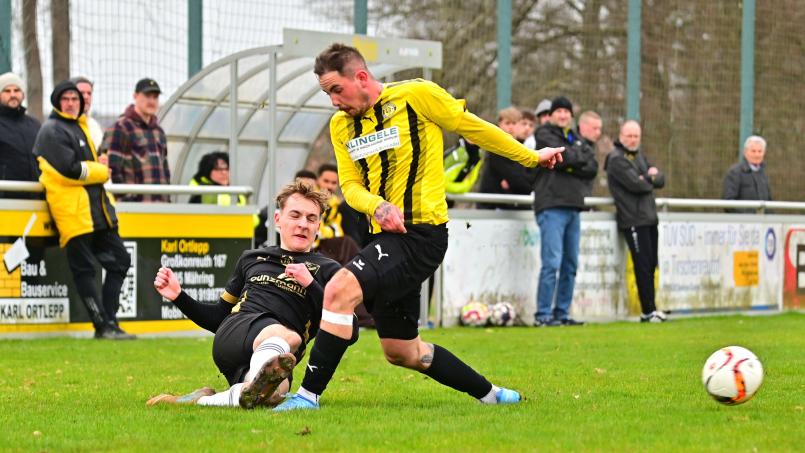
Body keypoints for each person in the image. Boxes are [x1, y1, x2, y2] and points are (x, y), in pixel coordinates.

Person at [273, 43, 563, 411]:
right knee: (403, 352)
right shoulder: (341, 125)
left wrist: (530, 156)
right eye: (327, 93)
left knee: (337, 291)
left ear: (361, 77)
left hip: (420, 235)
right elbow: (350, 186)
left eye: (336, 89)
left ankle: (306, 396)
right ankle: (492, 395)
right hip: (380, 236)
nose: (333, 101)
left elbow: (474, 128)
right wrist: (377, 206)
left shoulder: (416, 96)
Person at [148, 181, 350, 408]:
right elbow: (218, 318)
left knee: (270, 397)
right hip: (236, 333)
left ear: (318, 226)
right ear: (277, 220)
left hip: (276, 357)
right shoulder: (252, 258)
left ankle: (200, 401)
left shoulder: (329, 269)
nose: (303, 224)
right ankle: (261, 376)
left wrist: (311, 284)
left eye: (311, 219)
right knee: (289, 337)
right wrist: (178, 296)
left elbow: (349, 330)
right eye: (295, 215)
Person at [33, 80, 134, 339]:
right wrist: (101, 171)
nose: (71, 103)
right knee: (85, 270)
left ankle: (110, 321)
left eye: (75, 99)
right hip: (73, 213)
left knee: (120, 261)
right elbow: (70, 169)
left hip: (97, 211)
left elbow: (83, 167)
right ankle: (101, 325)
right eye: (66, 99)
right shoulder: (51, 129)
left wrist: (94, 169)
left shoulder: (82, 127)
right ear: (57, 102)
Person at [532, 98, 598, 327]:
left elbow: (592, 166)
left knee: (570, 264)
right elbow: (565, 160)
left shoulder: (575, 137)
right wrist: (573, 160)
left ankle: (562, 312)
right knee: (552, 262)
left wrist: (570, 159)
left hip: (573, 207)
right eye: (558, 111)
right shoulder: (543, 134)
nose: (562, 115)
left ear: (571, 115)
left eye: (566, 111)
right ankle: (543, 314)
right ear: (551, 114)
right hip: (551, 206)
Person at [605, 120, 667, 323]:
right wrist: (648, 178)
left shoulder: (639, 156)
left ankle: (652, 308)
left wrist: (648, 178)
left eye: (636, 136)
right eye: (629, 136)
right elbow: (636, 185)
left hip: (649, 218)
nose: (632, 140)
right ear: (621, 136)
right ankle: (647, 311)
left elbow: (661, 179)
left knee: (650, 264)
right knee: (641, 265)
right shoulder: (616, 158)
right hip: (633, 219)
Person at [100, 78, 170, 202]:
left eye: (155, 97)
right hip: (133, 209)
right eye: (147, 96)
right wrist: (126, 199)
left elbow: (165, 170)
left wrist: (167, 199)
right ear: (135, 96)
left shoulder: (159, 132)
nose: (152, 101)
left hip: (160, 207)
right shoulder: (120, 128)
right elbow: (112, 169)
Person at [478, 107, 534, 210]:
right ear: (500, 124)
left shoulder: (523, 149)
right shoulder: (495, 149)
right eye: (507, 123)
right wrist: (519, 183)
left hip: (515, 207)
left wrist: (517, 183)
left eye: (514, 123)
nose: (511, 127)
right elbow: (518, 181)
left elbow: (529, 181)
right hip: (492, 209)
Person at [0, 72, 41, 199]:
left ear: (23, 95)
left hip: (35, 198)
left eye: (16, 90)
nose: (12, 94)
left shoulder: (35, 125)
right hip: (6, 200)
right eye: (7, 91)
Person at [722, 135, 772, 213]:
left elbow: (769, 202)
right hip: (742, 222)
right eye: (753, 151)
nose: (757, 155)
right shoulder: (734, 173)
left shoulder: (763, 174)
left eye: (760, 151)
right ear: (745, 152)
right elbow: (728, 202)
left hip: (762, 223)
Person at [70, 76, 104, 150]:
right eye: (81, 93)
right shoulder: (62, 126)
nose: (86, 97)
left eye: (89, 93)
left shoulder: (94, 125)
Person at [576, 111, 603, 196]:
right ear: (582, 127)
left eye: (600, 129)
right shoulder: (572, 146)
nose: (598, 133)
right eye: (595, 128)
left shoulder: (590, 147)